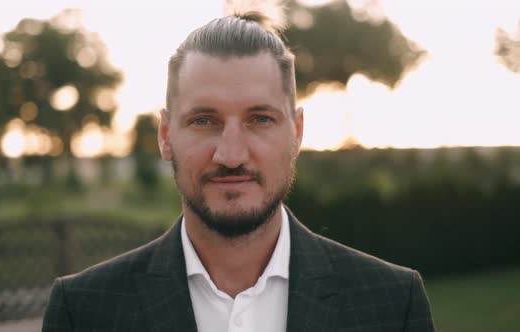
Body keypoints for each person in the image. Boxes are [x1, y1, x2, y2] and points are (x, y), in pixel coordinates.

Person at [42, 11, 434, 332]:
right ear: (165, 136)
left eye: (260, 119)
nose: (231, 155)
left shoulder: (393, 305)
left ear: (296, 133)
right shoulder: (83, 312)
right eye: (203, 121)